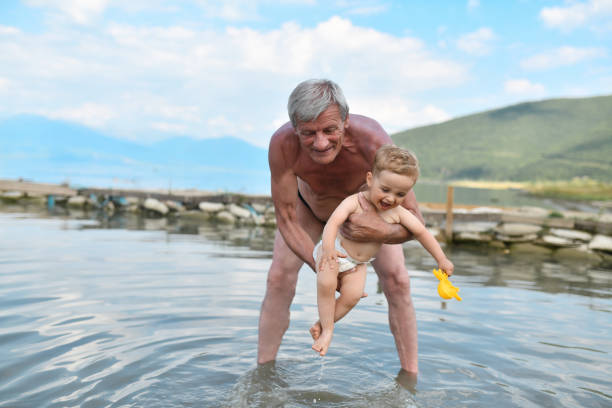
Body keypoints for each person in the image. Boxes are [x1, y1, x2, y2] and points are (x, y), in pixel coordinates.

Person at [258, 78, 423, 375]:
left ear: (345, 122)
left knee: (398, 280)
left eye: (329, 130)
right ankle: (262, 375)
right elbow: (285, 217)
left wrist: (379, 232)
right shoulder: (282, 144)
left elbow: (414, 220)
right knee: (278, 278)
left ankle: (410, 378)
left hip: (364, 218)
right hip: (307, 212)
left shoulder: (372, 141)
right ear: (295, 126)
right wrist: (325, 266)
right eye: (308, 133)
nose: (320, 143)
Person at [310, 145, 454, 356]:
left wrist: (441, 258)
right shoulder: (354, 202)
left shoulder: (398, 213)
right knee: (327, 283)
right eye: (385, 190)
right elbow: (332, 223)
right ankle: (328, 332)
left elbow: (422, 233)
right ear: (370, 180)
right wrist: (329, 249)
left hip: (358, 265)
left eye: (400, 193)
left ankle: (321, 325)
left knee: (353, 296)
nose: (390, 198)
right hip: (335, 251)